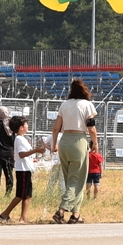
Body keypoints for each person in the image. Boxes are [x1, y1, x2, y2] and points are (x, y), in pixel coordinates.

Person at [51, 78, 97, 224]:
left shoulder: (64, 104)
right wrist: (95, 142)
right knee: (77, 180)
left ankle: (76, 214)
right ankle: (61, 210)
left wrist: (54, 144)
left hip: (64, 141)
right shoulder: (87, 105)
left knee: (71, 179)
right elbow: (91, 127)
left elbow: (56, 127)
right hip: (79, 141)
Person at [0, 116, 36, 223]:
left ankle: (23, 217)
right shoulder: (19, 139)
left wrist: (33, 159)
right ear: (21, 127)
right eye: (26, 124)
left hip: (27, 169)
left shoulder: (23, 139)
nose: (28, 126)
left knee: (27, 195)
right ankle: (4, 214)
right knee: (20, 195)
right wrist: (35, 150)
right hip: (22, 170)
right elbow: (22, 154)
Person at [85, 134, 104, 201]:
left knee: (88, 184)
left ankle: (88, 198)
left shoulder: (87, 155)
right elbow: (100, 165)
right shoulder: (98, 155)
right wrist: (101, 173)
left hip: (89, 172)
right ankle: (95, 198)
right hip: (96, 172)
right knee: (96, 184)